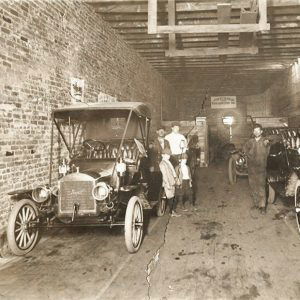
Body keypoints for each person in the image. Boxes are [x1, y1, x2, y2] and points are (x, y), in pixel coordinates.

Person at [243, 123, 270, 215]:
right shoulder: (250, 141)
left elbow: (267, 148)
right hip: (251, 168)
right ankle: (256, 203)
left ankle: (262, 206)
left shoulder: (265, 141)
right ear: (253, 132)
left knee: (261, 187)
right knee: (253, 186)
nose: (256, 132)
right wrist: (248, 154)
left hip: (261, 168)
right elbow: (244, 149)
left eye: (258, 130)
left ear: (261, 132)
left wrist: (266, 143)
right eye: (255, 131)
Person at [148, 125, 171, 201]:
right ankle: (154, 200)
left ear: (165, 132)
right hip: (156, 166)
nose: (161, 132)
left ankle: (163, 200)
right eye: (159, 130)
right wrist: (151, 165)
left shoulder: (167, 142)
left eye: (162, 130)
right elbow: (150, 155)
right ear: (157, 132)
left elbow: (169, 153)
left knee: (164, 182)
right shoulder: (152, 142)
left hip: (164, 166)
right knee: (155, 183)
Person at [159, 148, 181, 217]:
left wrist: (176, 180)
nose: (168, 156)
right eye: (167, 155)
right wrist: (167, 184)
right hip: (168, 183)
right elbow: (164, 175)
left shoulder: (167, 162)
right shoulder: (162, 164)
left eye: (169, 155)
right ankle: (171, 212)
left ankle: (172, 211)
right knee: (171, 198)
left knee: (173, 197)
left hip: (172, 182)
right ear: (163, 155)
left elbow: (172, 172)